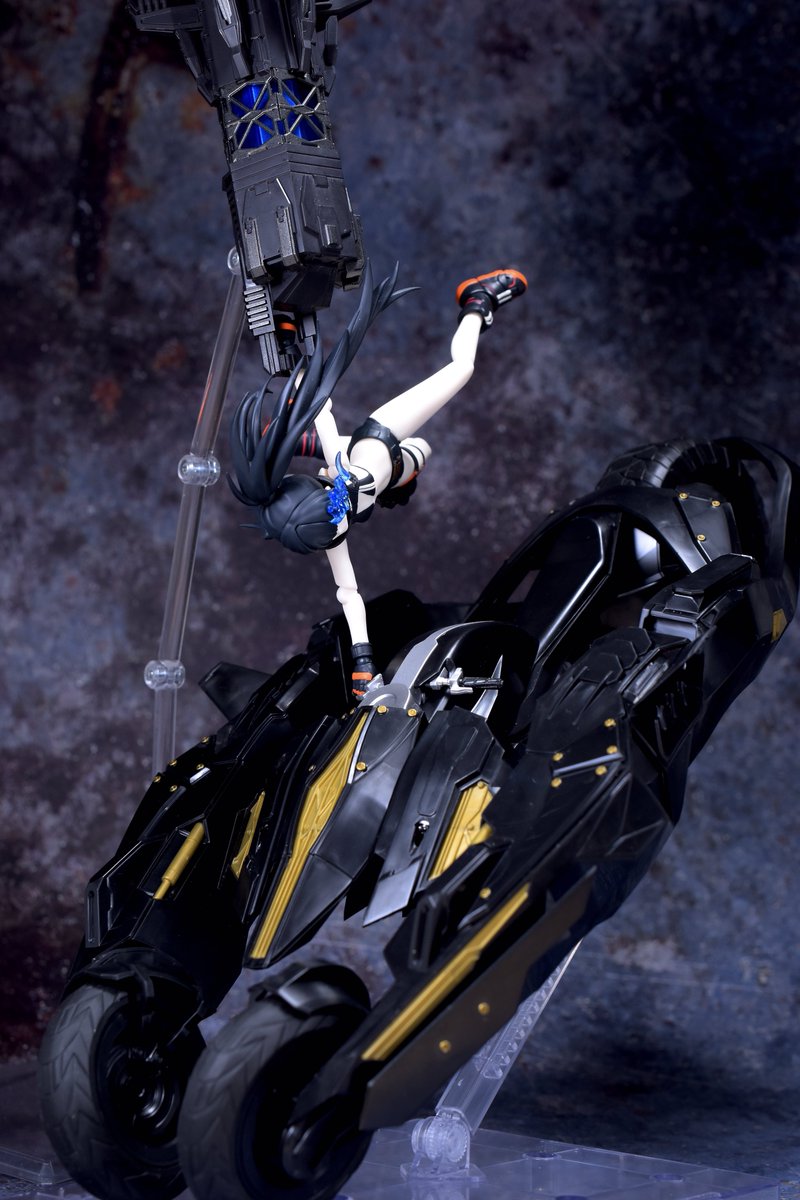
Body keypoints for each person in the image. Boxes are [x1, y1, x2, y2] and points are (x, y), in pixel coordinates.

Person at [229, 265, 527, 695]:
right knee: (401, 459)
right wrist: (363, 662)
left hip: (381, 436)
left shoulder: (340, 479)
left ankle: (477, 300)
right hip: (387, 474)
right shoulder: (329, 526)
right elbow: (348, 592)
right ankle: (312, 446)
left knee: (461, 370)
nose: (336, 538)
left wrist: (292, 347)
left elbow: (321, 405)